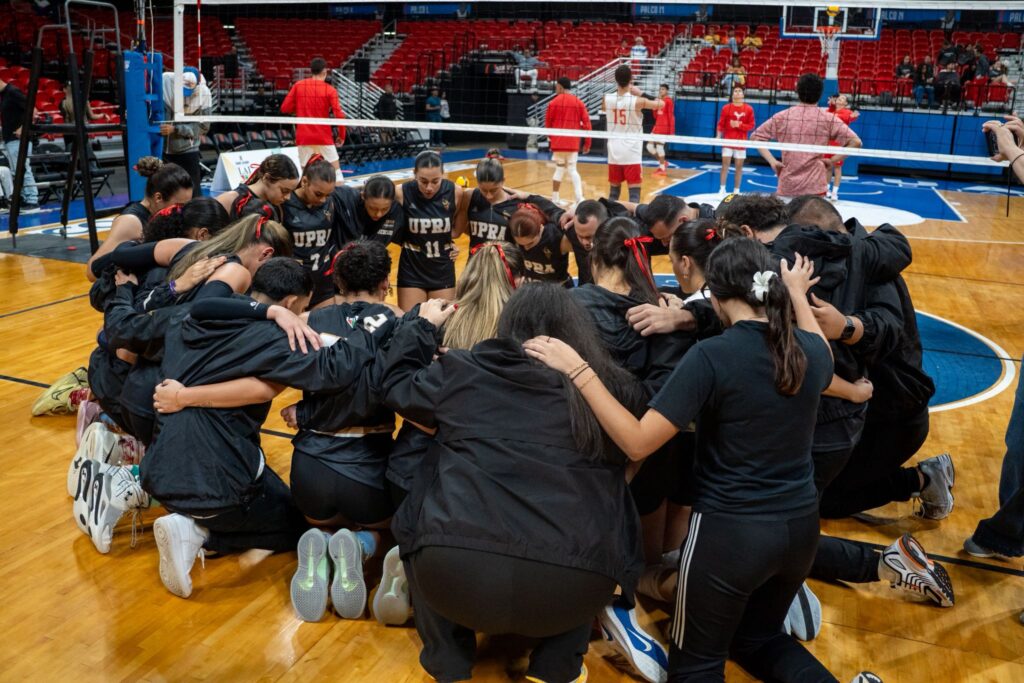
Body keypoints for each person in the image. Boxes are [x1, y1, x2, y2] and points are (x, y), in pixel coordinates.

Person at [524, 240, 855, 681]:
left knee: (696, 666)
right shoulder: (808, 351)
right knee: (762, 641)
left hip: (730, 536)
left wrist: (578, 369)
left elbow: (638, 443)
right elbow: (826, 355)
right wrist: (796, 293)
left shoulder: (713, 355)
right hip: (799, 528)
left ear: (715, 296)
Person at [379, 287, 647, 683]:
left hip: (454, 573)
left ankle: (448, 661)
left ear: (506, 325)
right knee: (593, 523)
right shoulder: (613, 390)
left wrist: (419, 326)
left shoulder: (464, 371)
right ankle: (557, 667)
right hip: (570, 589)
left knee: (424, 507)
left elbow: (395, 386)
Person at [142, 257, 382, 600]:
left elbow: (215, 297)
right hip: (217, 484)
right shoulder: (276, 337)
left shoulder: (195, 313)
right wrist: (376, 331)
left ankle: (157, 502)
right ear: (290, 304)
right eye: (301, 307)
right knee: (301, 525)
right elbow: (338, 369)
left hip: (159, 471)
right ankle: (199, 532)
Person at [751, 73, 862, 198]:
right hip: (815, 187)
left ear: (797, 91)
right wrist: (832, 160)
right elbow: (856, 142)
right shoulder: (827, 118)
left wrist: (772, 161)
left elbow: (755, 137)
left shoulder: (783, 116)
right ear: (820, 95)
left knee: (788, 217)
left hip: (788, 185)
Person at [86, 157, 194, 281]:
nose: (183, 210)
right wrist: (139, 252)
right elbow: (91, 272)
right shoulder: (131, 222)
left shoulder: (165, 216)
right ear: (158, 198)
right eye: (180, 205)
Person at [281, 154, 364, 308]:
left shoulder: (332, 202)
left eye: (328, 195)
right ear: (304, 181)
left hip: (322, 279)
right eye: (318, 194)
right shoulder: (285, 202)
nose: (322, 200)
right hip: (293, 280)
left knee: (323, 329)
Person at [394, 150, 467, 311]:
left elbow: (453, 231)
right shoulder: (400, 192)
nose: (429, 187)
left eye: (435, 181)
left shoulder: (455, 192)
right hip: (411, 268)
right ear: (414, 174)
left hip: (442, 268)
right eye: (423, 181)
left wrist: (449, 243)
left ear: (443, 174)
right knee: (410, 323)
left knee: (441, 327)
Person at [467, 155, 562, 250]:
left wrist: (529, 196)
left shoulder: (517, 205)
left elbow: (553, 215)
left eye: (494, 190)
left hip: (506, 263)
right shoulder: (470, 197)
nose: (489, 196)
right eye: (483, 190)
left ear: (503, 181)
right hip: (475, 262)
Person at [604, 64, 664, 203]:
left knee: (613, 194)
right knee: (634, 196)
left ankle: (608, 222)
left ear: (616, 79)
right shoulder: (638, 101)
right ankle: (632, 223)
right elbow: (661, 104)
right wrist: (640, 92)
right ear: (631, 79)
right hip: (631, 153)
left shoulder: (606, 99)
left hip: (613, 152)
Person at [280, 57, 346, 170]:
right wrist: (341, 135)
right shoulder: (330, 90)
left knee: (305, 176)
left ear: (311, 71)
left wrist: (300, 108)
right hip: (323, 137)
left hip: (304, 137)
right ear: (325, 72)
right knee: (335, 174)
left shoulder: (298, 85)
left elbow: (285, 108)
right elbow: (339, 115)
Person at [160, 68, 211, 197]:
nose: (185, 95)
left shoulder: (204, 95)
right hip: (164, 151)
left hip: (188, 151)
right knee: (168, 191)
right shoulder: (165, 80)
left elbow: (204, 128)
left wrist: (176, 129)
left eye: (189, 92)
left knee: (192, 191)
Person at [545, 77, 591, 205]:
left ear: (560, 87)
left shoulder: (553, 103)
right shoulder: (578, 102)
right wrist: (587, 143)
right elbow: (587, 125)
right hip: (572, 143)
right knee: (572, 170)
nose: (556, 90)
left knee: (559, 169)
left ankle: (555, 198)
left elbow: (548, 124)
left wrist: (551, 139)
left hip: (558, 143)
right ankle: (579, 198)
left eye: (556, 88)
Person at [216, 153, 300, 222]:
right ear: (266, 178)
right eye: (284, 191)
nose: (288, 197)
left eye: (291, 192)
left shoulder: (278, 206)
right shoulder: (230, 199)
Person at [508, 204, 573, 287]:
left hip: (558, 292)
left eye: (530, 243)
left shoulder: (556, 238)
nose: (526, 248)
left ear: (541, 228)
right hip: (531, 290)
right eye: (521, 245)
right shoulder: (511, 234)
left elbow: (586, 250)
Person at [0, 76, 39, 211]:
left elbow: (33, 111)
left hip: (18, 140)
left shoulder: (12, 92)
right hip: (10, 140)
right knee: (16, 171)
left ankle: (32, 200)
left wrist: (23, 128)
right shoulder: (4, 95)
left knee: (23, 168)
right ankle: (24, 198)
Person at [716, 85, 755, 194]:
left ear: (743, 95)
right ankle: (722, 189)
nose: (737, 92)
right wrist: (718, 137)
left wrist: (739, 125)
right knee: (725, 166)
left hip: (741, 142)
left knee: (739, 168)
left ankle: (736, 191)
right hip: (727, 141)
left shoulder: (748, 109)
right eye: (735, 91)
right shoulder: (726, 108)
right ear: (733, 95)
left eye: (739, 91)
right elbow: (720, 124)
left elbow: (751, 126)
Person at [825, 94, 858, 202]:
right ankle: (826, 190)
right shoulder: (830, 110)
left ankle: (835, 192)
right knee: (828, 166)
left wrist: (853, 116)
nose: (840, 99)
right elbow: (826, 117)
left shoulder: (847, 112)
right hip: (828, 142)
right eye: (839, 98)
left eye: (843, 99)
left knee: (837, 168)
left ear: (845, 104)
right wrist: (831, 106)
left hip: (839, 143)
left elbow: (849, 118)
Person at [646, 83, 675, 176]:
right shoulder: (659, 101)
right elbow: (655, 116)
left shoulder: (669, 101)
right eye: (660, 89)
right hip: (657, 126)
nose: (661, 91)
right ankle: (663, 162)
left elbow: (671, 116)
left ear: (666, 91)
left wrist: (672, 131)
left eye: (663, 89)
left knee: (659, 147)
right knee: (649, 147)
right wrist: (654, 107)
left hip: (664, 127)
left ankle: (662, 169)